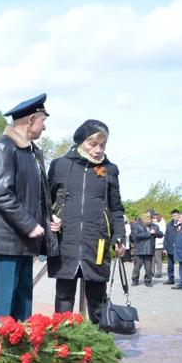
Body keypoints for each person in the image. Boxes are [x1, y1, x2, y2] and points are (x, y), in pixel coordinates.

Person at [0, 93, 60, 321]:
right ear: (30, 120)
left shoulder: (32, 151)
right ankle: (0, 353)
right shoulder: (4, 147)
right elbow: (0, 193)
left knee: (23, 302)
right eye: (42, 121)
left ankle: (21, 352)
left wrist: (48, 218)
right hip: (7, 242)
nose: (44, 128)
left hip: (26, 241)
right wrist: (29, 224)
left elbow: (36, 194)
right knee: (4, 307)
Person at [47, 120, 126, 322]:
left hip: (97, 242)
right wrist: (50, 219)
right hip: (66, 241)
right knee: (63, 297)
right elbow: (45, 201)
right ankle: (62, 344)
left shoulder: (110, 169)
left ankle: (100, 343)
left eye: (103, 145)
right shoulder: (60, 165)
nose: (98, 150)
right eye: (93, 144)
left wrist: (119, 237)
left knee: (97, 299)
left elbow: (116, 208)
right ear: (81, 142)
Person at [130, 213, 161, 287]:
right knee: (137, 268)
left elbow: (161, 234)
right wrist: (149, 234)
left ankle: (148, 281)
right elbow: (136, 236)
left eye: (150, 219)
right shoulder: (136, 226)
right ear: (143, 219)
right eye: (148, 219)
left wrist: (155, 232)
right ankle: (135, 280)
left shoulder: (154, 226)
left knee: (148, 268)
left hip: (149, 250)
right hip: (139, 250)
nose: (150, 221)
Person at [163, 209, 181, 285]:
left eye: (175, 215)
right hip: (170, 248)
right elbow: (166, 237)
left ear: (179, 215)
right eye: (172, 216)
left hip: (180, 248)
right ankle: (171, 279)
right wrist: (164, 248)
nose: (173, 217)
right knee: (170, 265)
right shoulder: (169, 225)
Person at [152, 213, 165, 278]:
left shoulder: (162, 224)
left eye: (154, 218)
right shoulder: (151, 225)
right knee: (152, 259)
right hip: (152, 245)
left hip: (158, 245)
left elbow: (162, 235)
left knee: (158, 260)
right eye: (153, 218)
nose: (153, 219)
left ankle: (159, 272)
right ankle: (152, 272)